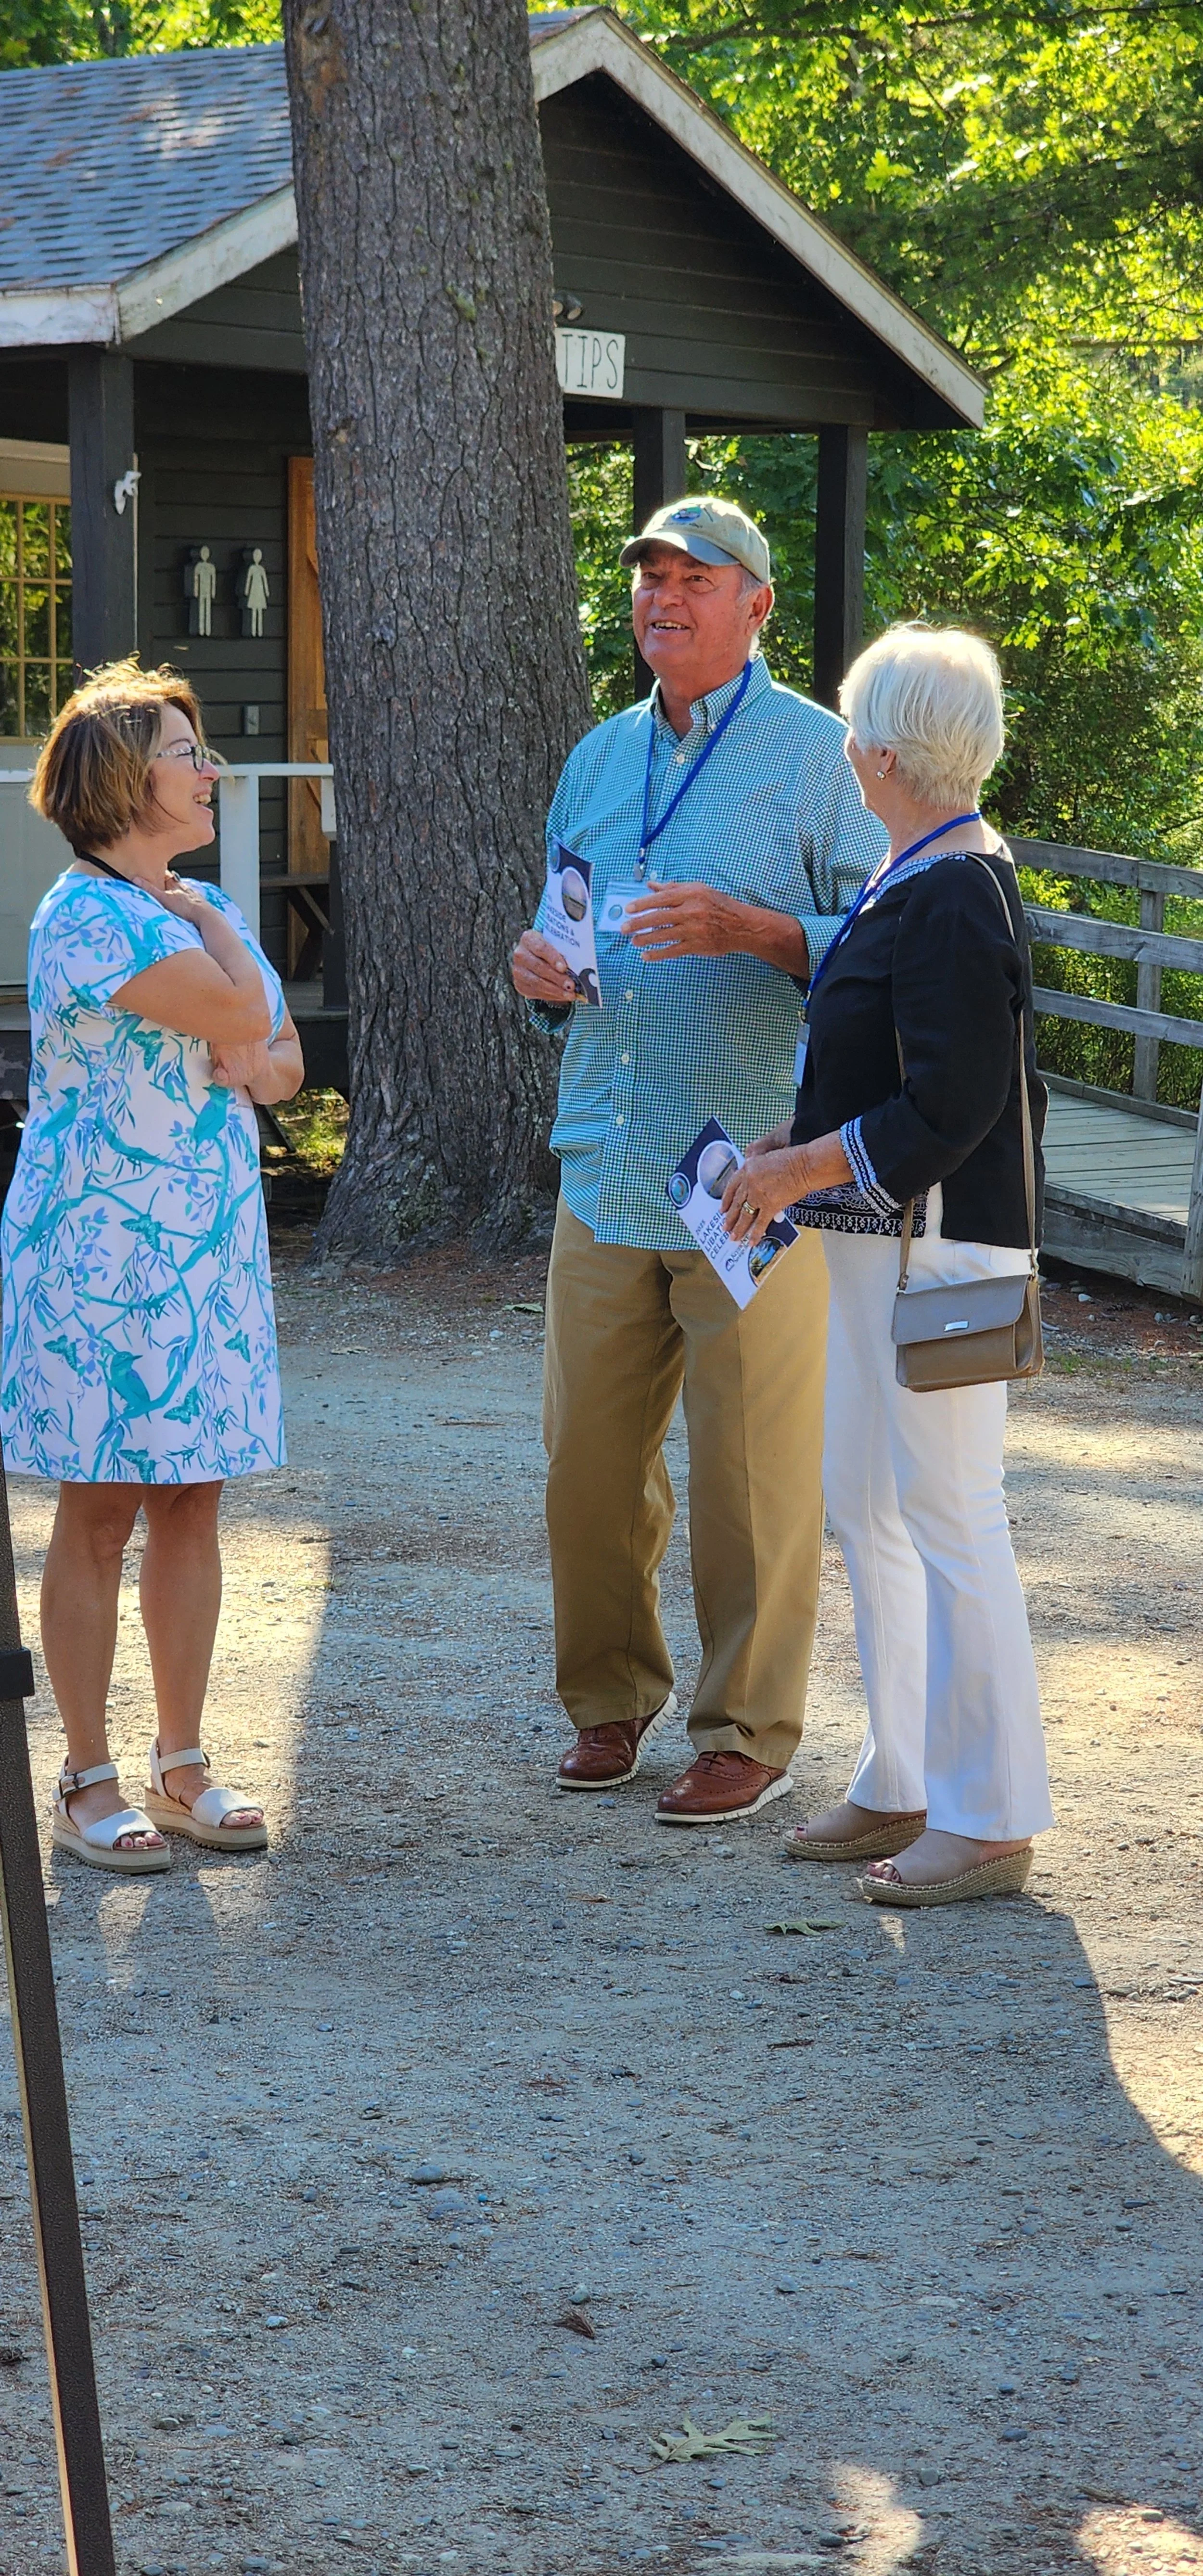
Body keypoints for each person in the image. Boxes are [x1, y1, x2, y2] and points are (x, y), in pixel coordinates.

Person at [511, 497, 886, 1823]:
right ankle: (608, 1701)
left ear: (758, 605)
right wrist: (539, 971)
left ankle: (745, 1727)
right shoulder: (599, 758)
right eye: (648, 579)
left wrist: (757, 928)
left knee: (748, 1471)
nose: (662, 599)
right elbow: (561, 925)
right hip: (606, 1156)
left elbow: (887, 935)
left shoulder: (819, 757)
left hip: (752, 1169)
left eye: (693, 578)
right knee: (588, 1468)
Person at [718, 623, 1054, 1903]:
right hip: (885, 1247)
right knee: (863, 1503)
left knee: (951, 1517)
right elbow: (886, 1067)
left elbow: (957, 1100)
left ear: (887, 753)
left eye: (857, 729)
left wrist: (803, 1168)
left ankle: (988, 1811)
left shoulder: (955, 887)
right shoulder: (911, 872)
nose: (846, 748)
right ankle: (902, 1773)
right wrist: (791, 1140)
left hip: (952, 1251)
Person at [1, 661, 304, 1874]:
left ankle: (182, 1764)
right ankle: (86, 1778)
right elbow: (247, 1029)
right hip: (102, 1255)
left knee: (194, 1497)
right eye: (187, 749)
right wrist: (227, 946)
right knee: (100, 1506)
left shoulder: (176, 906)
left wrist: (239, 1006)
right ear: (124, 780)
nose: (210, 767)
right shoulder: (87, 915)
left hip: (206, 1253)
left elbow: (280, 1072)